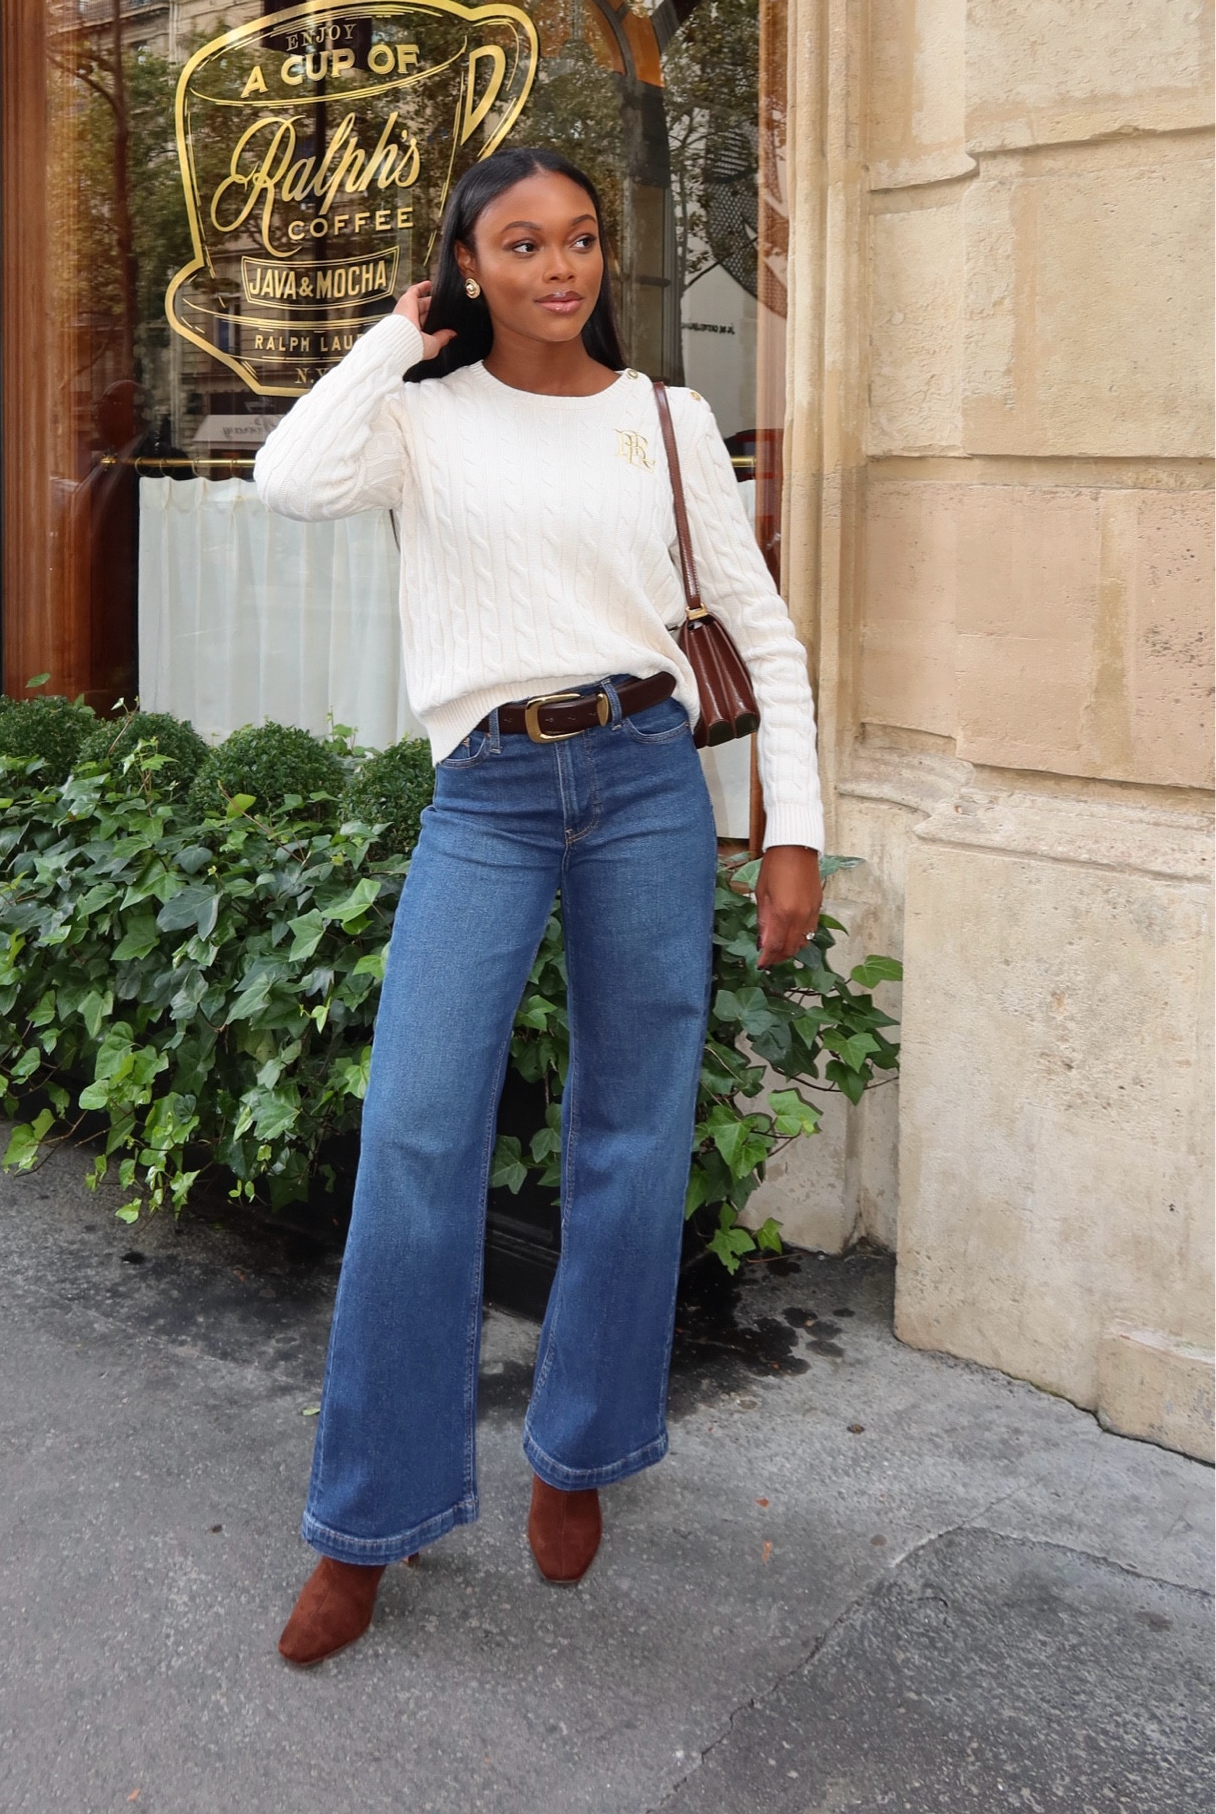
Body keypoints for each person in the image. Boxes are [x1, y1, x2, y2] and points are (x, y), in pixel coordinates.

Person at [252, 146, 824, 1667]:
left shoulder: (666, 418)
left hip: (647, 779)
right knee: (416, 1134)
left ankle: (576, 1454)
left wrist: (792, 832)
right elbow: (283, 475)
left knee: (633, 1133)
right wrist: (400, 329)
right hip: (491, 794)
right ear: (470, 264)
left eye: (578, 240)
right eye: (520, 244)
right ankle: (368, 1524)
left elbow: (758, 626)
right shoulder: (420, 425)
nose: (559, 268)